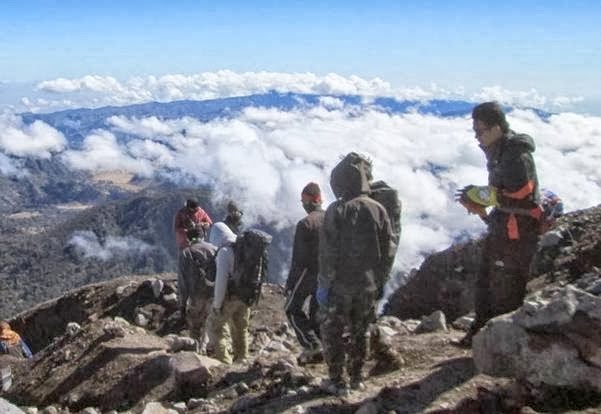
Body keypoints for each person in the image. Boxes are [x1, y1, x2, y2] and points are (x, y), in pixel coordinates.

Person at [455, 101, 542, 347]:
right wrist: (481, 206)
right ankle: (480, 335)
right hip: (503, 227)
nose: (477, 137)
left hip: (517, 233)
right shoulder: (499, 151)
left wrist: (483, 197)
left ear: (496, 128)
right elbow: (504, 196)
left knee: (507, 287)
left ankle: (503, 345)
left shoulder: (515, 154)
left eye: (480, 131)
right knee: (486, 281)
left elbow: (523, 196)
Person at [318, 153, 393, 395]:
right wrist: (381, 280)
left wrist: (324, 284)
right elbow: (388, 250)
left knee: (333, 332)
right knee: (361, 331)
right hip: (368, 284)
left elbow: (328, 252)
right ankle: (357, 377)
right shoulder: (379, 209)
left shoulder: (337, 209)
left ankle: (336, 380)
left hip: (340, 285)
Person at [284, 182, 325, 365]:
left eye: (303, 200)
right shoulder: (333, 218)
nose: (302, 203)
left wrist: (290, 283)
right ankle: (322, 348)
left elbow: (298, 258)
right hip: (329, 274)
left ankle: (312, 346)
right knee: (317, 313)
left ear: (309, 200)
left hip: (308, 273)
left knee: (292, 309)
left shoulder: (305, 223)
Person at [206, 222, 250, 364]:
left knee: (214, 328)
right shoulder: (243, 247)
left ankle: (224, 363)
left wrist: (217, 305)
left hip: (230, 297)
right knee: (240, 328)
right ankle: (242, 359)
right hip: (246, 295)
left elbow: (221, 282)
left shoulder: (225, 252)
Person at [179, 227, 217, 354]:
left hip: (196, 296)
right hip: (213, 294)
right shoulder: (215, 249)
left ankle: (194, 351)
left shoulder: (186, 253)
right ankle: (204, 347)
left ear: (189, 239)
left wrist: (182, 304)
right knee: (208, 323)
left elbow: (182, 282)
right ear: (203, 236)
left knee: (195, 325)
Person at [174, 198, 213, 315]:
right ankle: (185, 303)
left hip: (199, 242)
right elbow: (176, 228)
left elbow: (210, 223)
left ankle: (189, 295)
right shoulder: (181, 213)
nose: (195, 211)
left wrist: (202, 225)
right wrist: (187, 230)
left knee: (197, 268)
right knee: (185, 265)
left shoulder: (200, 211)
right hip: (185, 243)